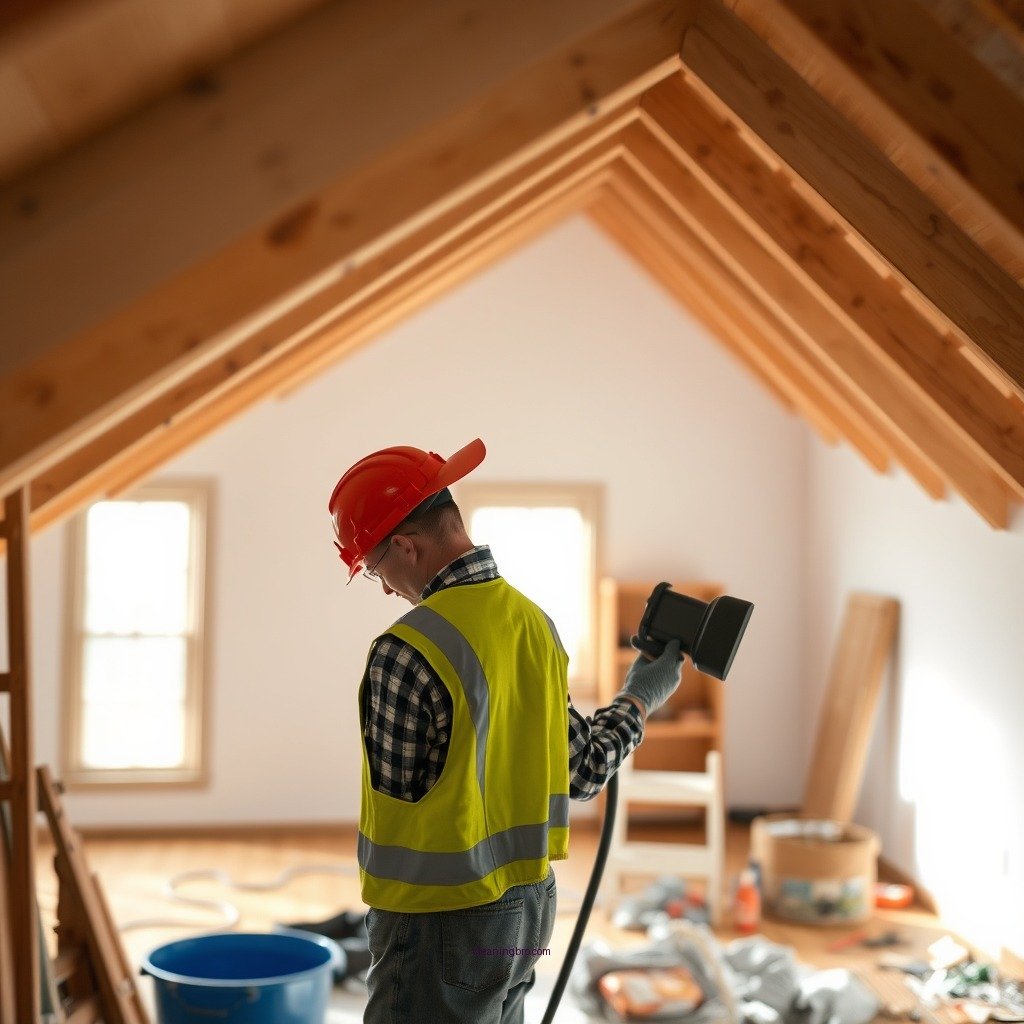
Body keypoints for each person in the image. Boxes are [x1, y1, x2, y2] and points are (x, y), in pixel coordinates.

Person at [327, 437, 684, 1024]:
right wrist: (641, 696)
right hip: (526, 916)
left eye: (375, 571)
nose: (386, 589)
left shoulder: (404, 650)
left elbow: (402, 791)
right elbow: (584, 770)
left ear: (406, 548)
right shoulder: (534, 625)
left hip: (436, 922)